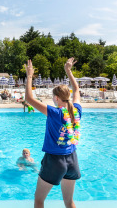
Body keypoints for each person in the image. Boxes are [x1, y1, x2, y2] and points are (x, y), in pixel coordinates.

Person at [25, 58, 82, 208]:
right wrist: (68, 70)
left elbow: (29, 98)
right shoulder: (77, 110)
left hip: (55, 161)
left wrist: (30, 75)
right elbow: (76, 90)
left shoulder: (54, 112)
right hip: (72, 159)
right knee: (69, 202)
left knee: (39, 200)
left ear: (56, 98)